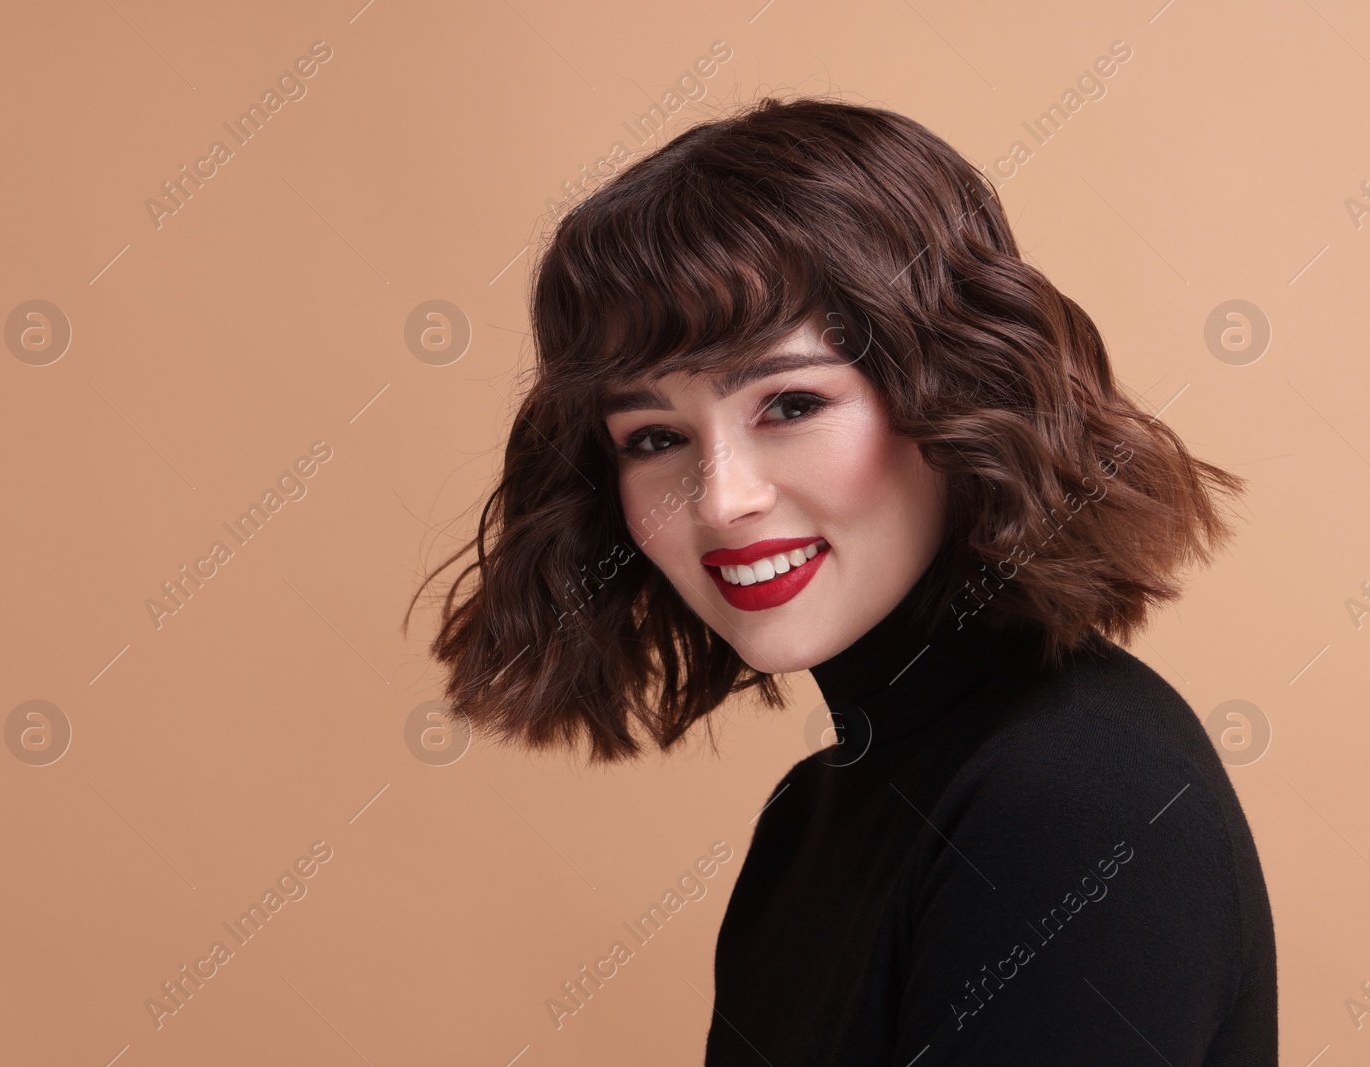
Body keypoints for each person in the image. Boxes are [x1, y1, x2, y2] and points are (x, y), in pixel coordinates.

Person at [410, 95, 1277, 1064]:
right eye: (654, 438)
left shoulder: (1074, 799)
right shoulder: (818, 812)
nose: (721, 498)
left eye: (788, 402)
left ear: (954, 388)